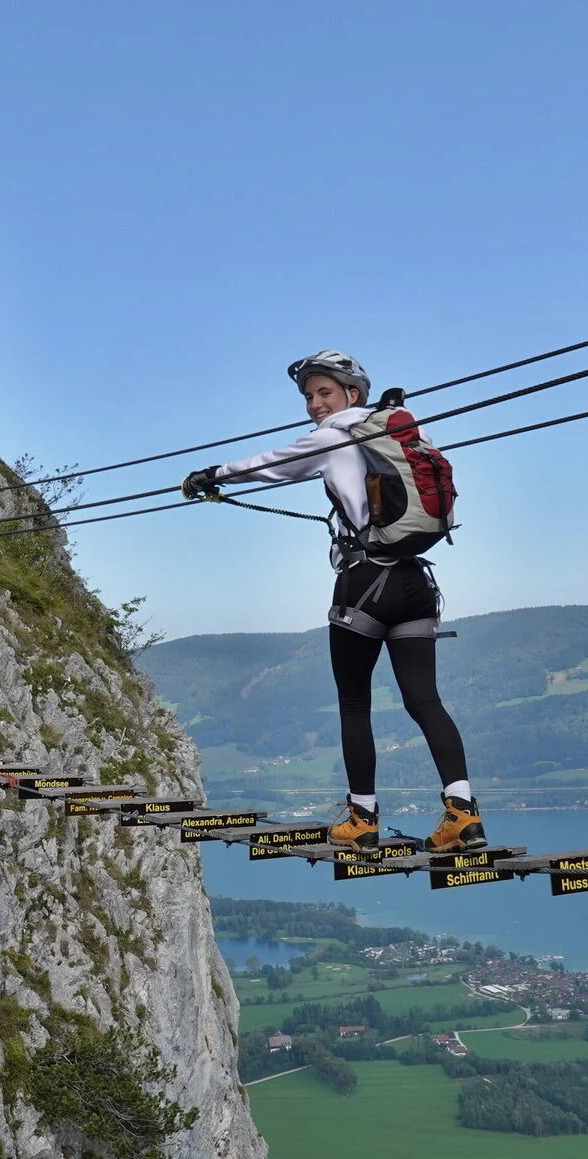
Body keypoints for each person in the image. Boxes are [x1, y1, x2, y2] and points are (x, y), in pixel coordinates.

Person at [181, 350, 485, 853]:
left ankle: (362, 820)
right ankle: (463, 815)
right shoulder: (408, 432)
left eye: (324, 393)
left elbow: (271, 465)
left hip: (364, 581)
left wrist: (213, 475)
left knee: (354, 704)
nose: (314, 405)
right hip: (414, 582)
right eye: (308, 396)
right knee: (425, 700)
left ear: (352, 394)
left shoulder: (335, 434)